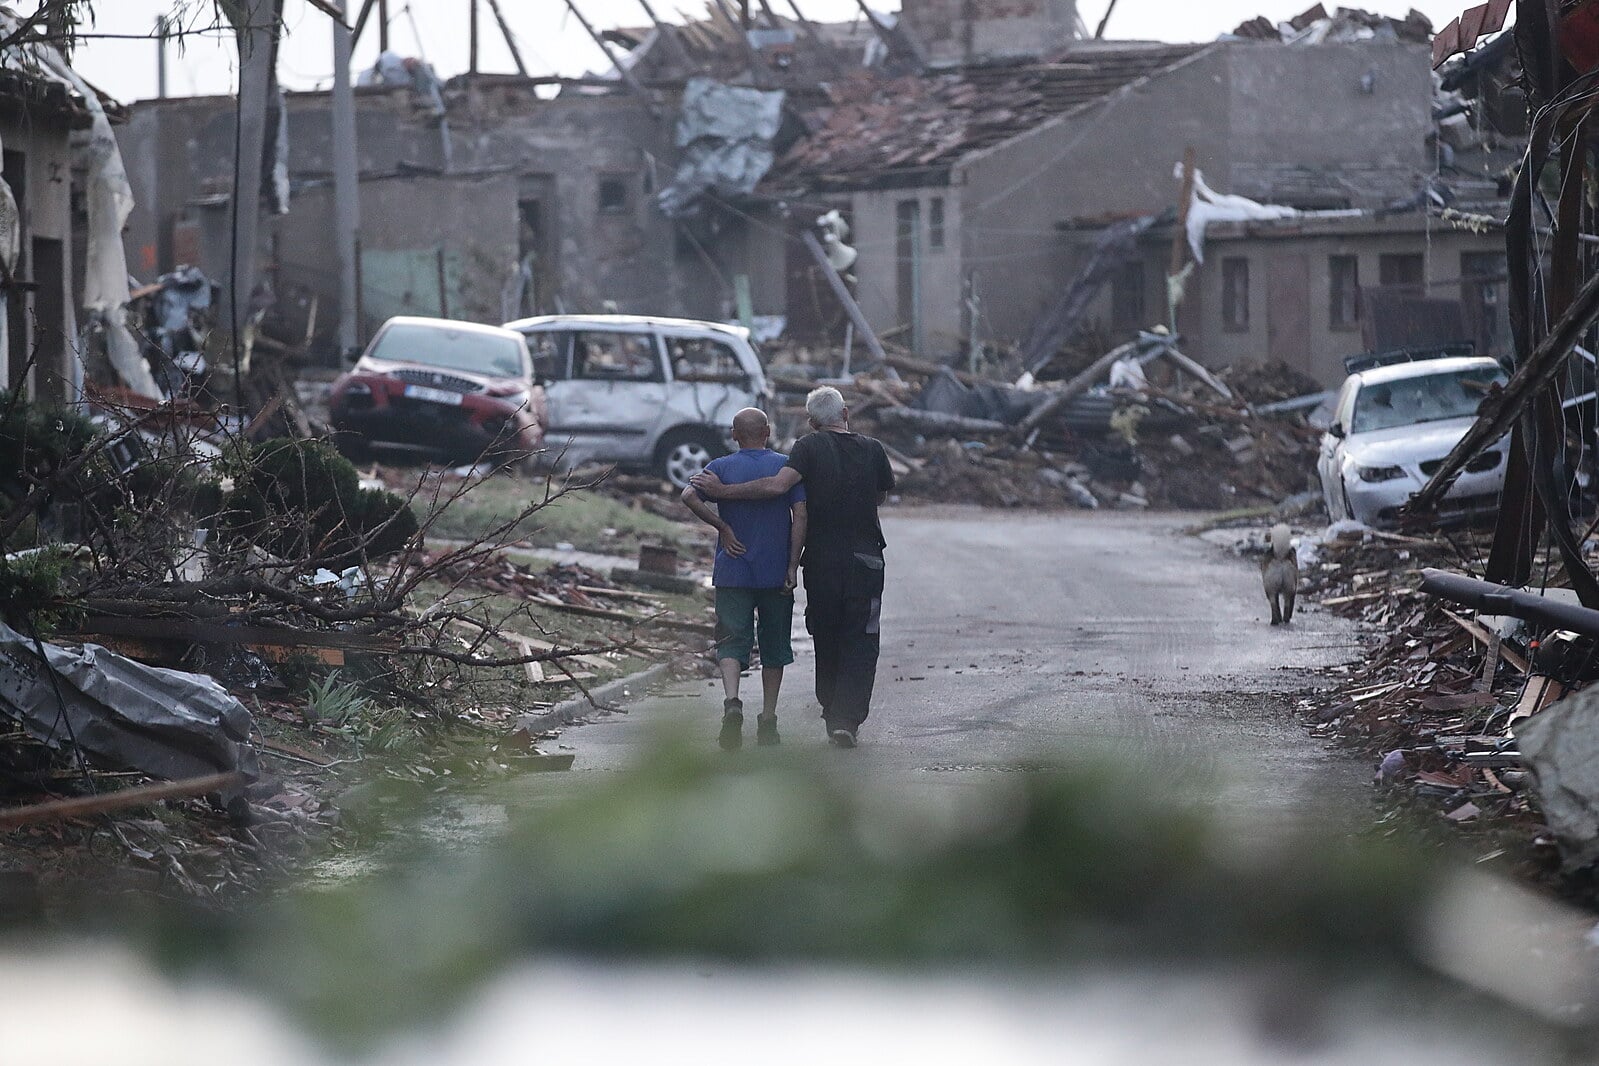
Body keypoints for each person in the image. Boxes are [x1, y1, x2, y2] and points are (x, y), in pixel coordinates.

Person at [691, 386, 894, 748]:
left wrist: (722, 496)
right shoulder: (874, 449)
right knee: (861, 638)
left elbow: (776, 487)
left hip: (821, 563)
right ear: (846, 414)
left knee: (827, 634)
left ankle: (832, 712)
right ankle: (846, 719)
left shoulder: (808, 448)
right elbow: (879, 494)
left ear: (812, 422)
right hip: (866, 562)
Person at [681, 408, 807, 751]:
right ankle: (768, 719)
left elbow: (688, 496)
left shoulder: (720, 468)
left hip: (733, 569)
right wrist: (793, 566)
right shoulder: (786, 466)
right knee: (774, 646)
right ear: (767, 430)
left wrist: (722, 527)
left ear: (735, 435)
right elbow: (800, 517)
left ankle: (733, 701)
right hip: (775, 570)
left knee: (731, 640)